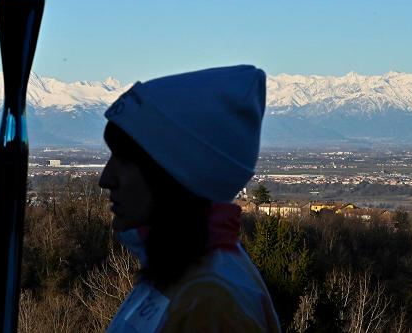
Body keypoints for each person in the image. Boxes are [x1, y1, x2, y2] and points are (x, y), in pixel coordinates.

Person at [99, 65, 281, 333]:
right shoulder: (179, 270)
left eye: (125, 161)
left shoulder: (212, 306)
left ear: (171, 177)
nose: (106, 179)